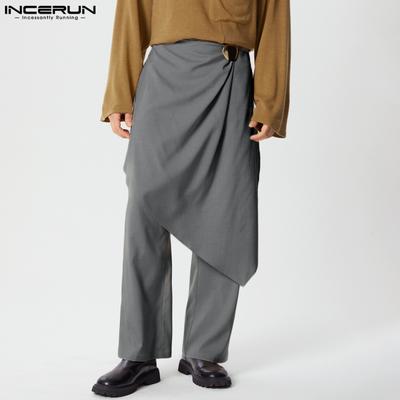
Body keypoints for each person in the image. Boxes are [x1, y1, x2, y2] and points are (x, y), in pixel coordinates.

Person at [92, 0, 291, 396]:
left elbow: (274, 18)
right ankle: (139, 353)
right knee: (144, 209)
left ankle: (205, 349)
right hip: (163, 76)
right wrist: (119, 93)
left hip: (228, 79)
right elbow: (131, 11)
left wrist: (271, 101)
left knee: (225, 208)